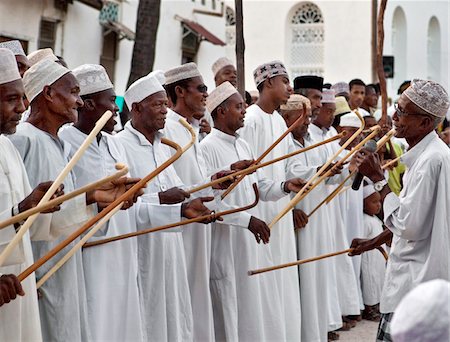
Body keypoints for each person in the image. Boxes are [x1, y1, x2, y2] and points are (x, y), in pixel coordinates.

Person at [9, 59, 133, 341]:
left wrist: (97, 198)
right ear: (49, 94)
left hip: (64, 268)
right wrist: (23, 271)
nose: (79, 102)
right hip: (33, 276)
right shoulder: (23, 141)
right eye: (74, 93)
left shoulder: (59, 144)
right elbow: (17, 216)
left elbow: (57, 217)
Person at [59, 64, 169, 341]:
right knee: (97, 323)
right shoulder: (66, 141)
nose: (117, 107)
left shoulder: (112, 142)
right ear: (89, 104)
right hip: (91, 252)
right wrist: (98, 200)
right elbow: (65, 206)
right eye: (111, 100)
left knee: (125, 323)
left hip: (123, 247)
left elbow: (127, 201)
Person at [116, 70, 217, 341]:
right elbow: (121, 205)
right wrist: (165, 201)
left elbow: (180, 191)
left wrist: (211, 186)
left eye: (165, 103)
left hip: (172, 249)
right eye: (158, 104)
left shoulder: (163, 147)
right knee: (149, 319)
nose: (165, 110)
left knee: (175, 316)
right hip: (143, 251)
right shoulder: (119, 147)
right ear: (136, 109)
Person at [201, 82, 307, 341]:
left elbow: (258, 187)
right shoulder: (207, 148)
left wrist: (284, 186)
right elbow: (208, 201)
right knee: (231, 306)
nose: (244, 111)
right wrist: (247, 220)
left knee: (255, 308)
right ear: (221, 112)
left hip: (251, 242)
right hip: (228, 244)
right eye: (239, 106)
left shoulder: (243, 146)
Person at [350, 79, 450, 342]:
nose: (394, 116)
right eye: (397, 107)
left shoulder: (432, 161)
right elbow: (417, 217)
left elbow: (409, 225)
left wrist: (378, 179)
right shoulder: (429, 155)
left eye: (402, 112)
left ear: (426, 123)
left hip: (415, 284)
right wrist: (375, 241)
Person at [163, 62, 245, 341]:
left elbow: (195, 182)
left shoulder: (191, 129)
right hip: (178, 231)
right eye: (201, 89)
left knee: (196, 303)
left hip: (199, 232)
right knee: (180, 303)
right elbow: (168, 188)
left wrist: (218, 179)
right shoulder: (167, 130)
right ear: (180, 92)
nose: (205, 96)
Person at [0, 47, 63, 341]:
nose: (23, 107)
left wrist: (94, 200)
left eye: (23, 97)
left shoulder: (7, 148)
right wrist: (22, 209)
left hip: (17, 283)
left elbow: (27, 226)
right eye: (12, 99)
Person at [238, 60, 302, 340]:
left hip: (281, 205)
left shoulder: (278, 120)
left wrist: (318, 172)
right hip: (259, 210)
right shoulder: (250, 119)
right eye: (285, 81)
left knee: (282, 276)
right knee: (264, 279)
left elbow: (288, 168)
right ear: (267, 84)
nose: (290, 88)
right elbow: (247, 173)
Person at [361, 184, 386, 322]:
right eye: (374, 202)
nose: (378, 205)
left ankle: (376, 305)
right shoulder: (365, 221)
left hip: (378, 259)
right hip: (369, 259)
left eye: (379, 202)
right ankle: (369, 309)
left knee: (378, 281)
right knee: (370, 282)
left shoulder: (376, 220)